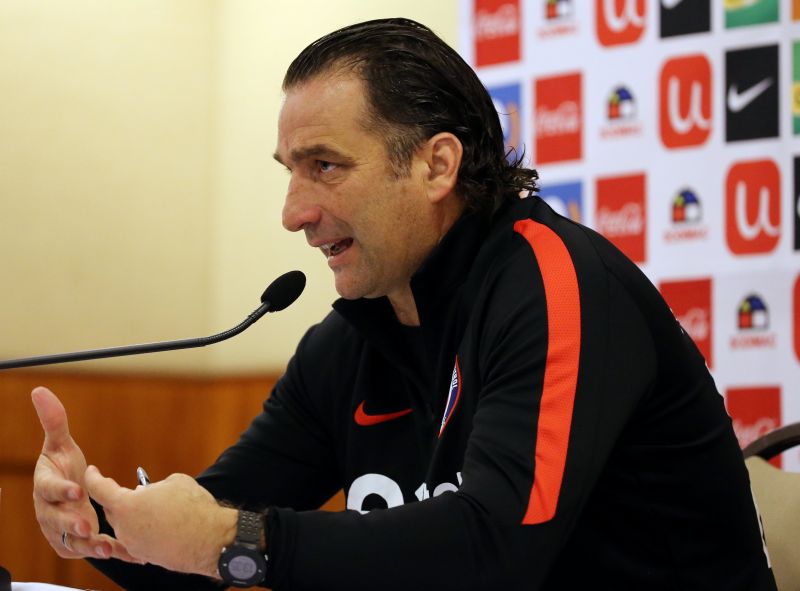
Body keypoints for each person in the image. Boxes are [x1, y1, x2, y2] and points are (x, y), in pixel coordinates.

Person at [31, 18, 776, 590]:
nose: (293, 212)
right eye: (290, 171)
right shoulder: (354, 336)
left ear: (436, 164)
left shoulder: (557, 284)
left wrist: (236, 541)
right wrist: (95, 523)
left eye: (324, 166)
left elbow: (496, 550)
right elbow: (205, 532)